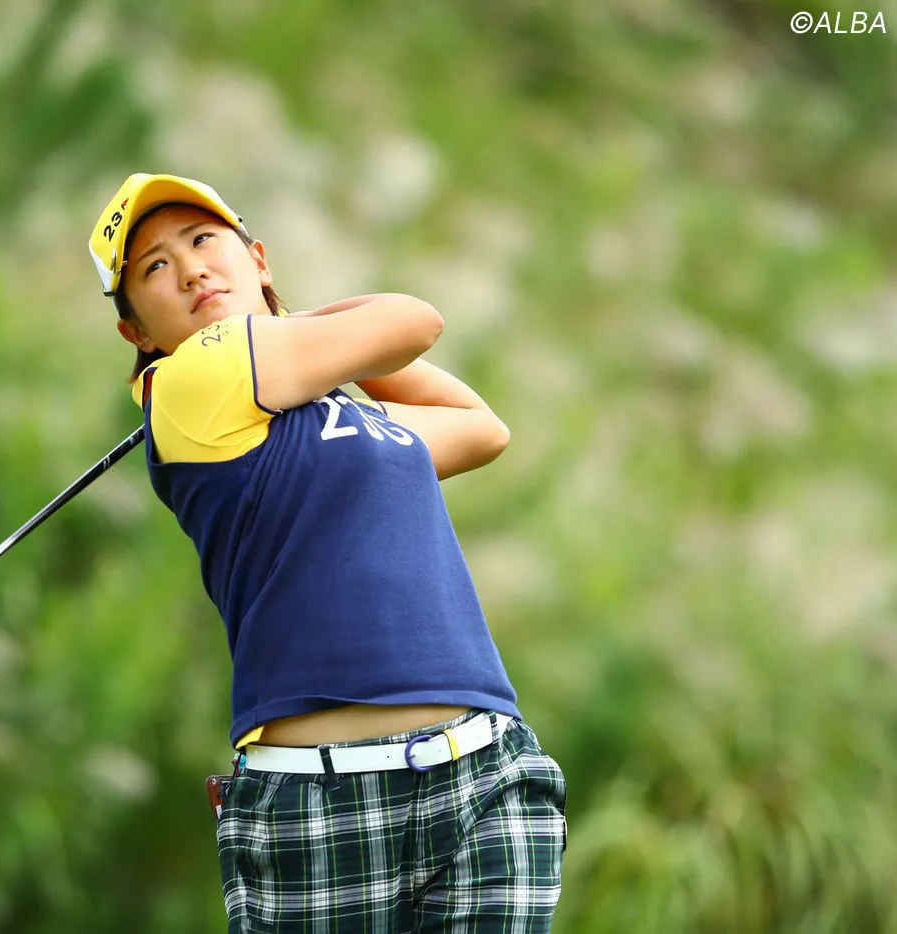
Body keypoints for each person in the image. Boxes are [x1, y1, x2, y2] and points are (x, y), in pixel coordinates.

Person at [88, 173, 567, 932]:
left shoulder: (346, 419)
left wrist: (299, 337)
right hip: (321, 805)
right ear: (138, 334)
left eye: (204, 240)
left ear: (258, 258)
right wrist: (286, 321)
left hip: (482, 772)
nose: (191, 270)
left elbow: (481, 428)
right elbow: (414, 320)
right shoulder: (190, 383)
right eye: (155, 267)